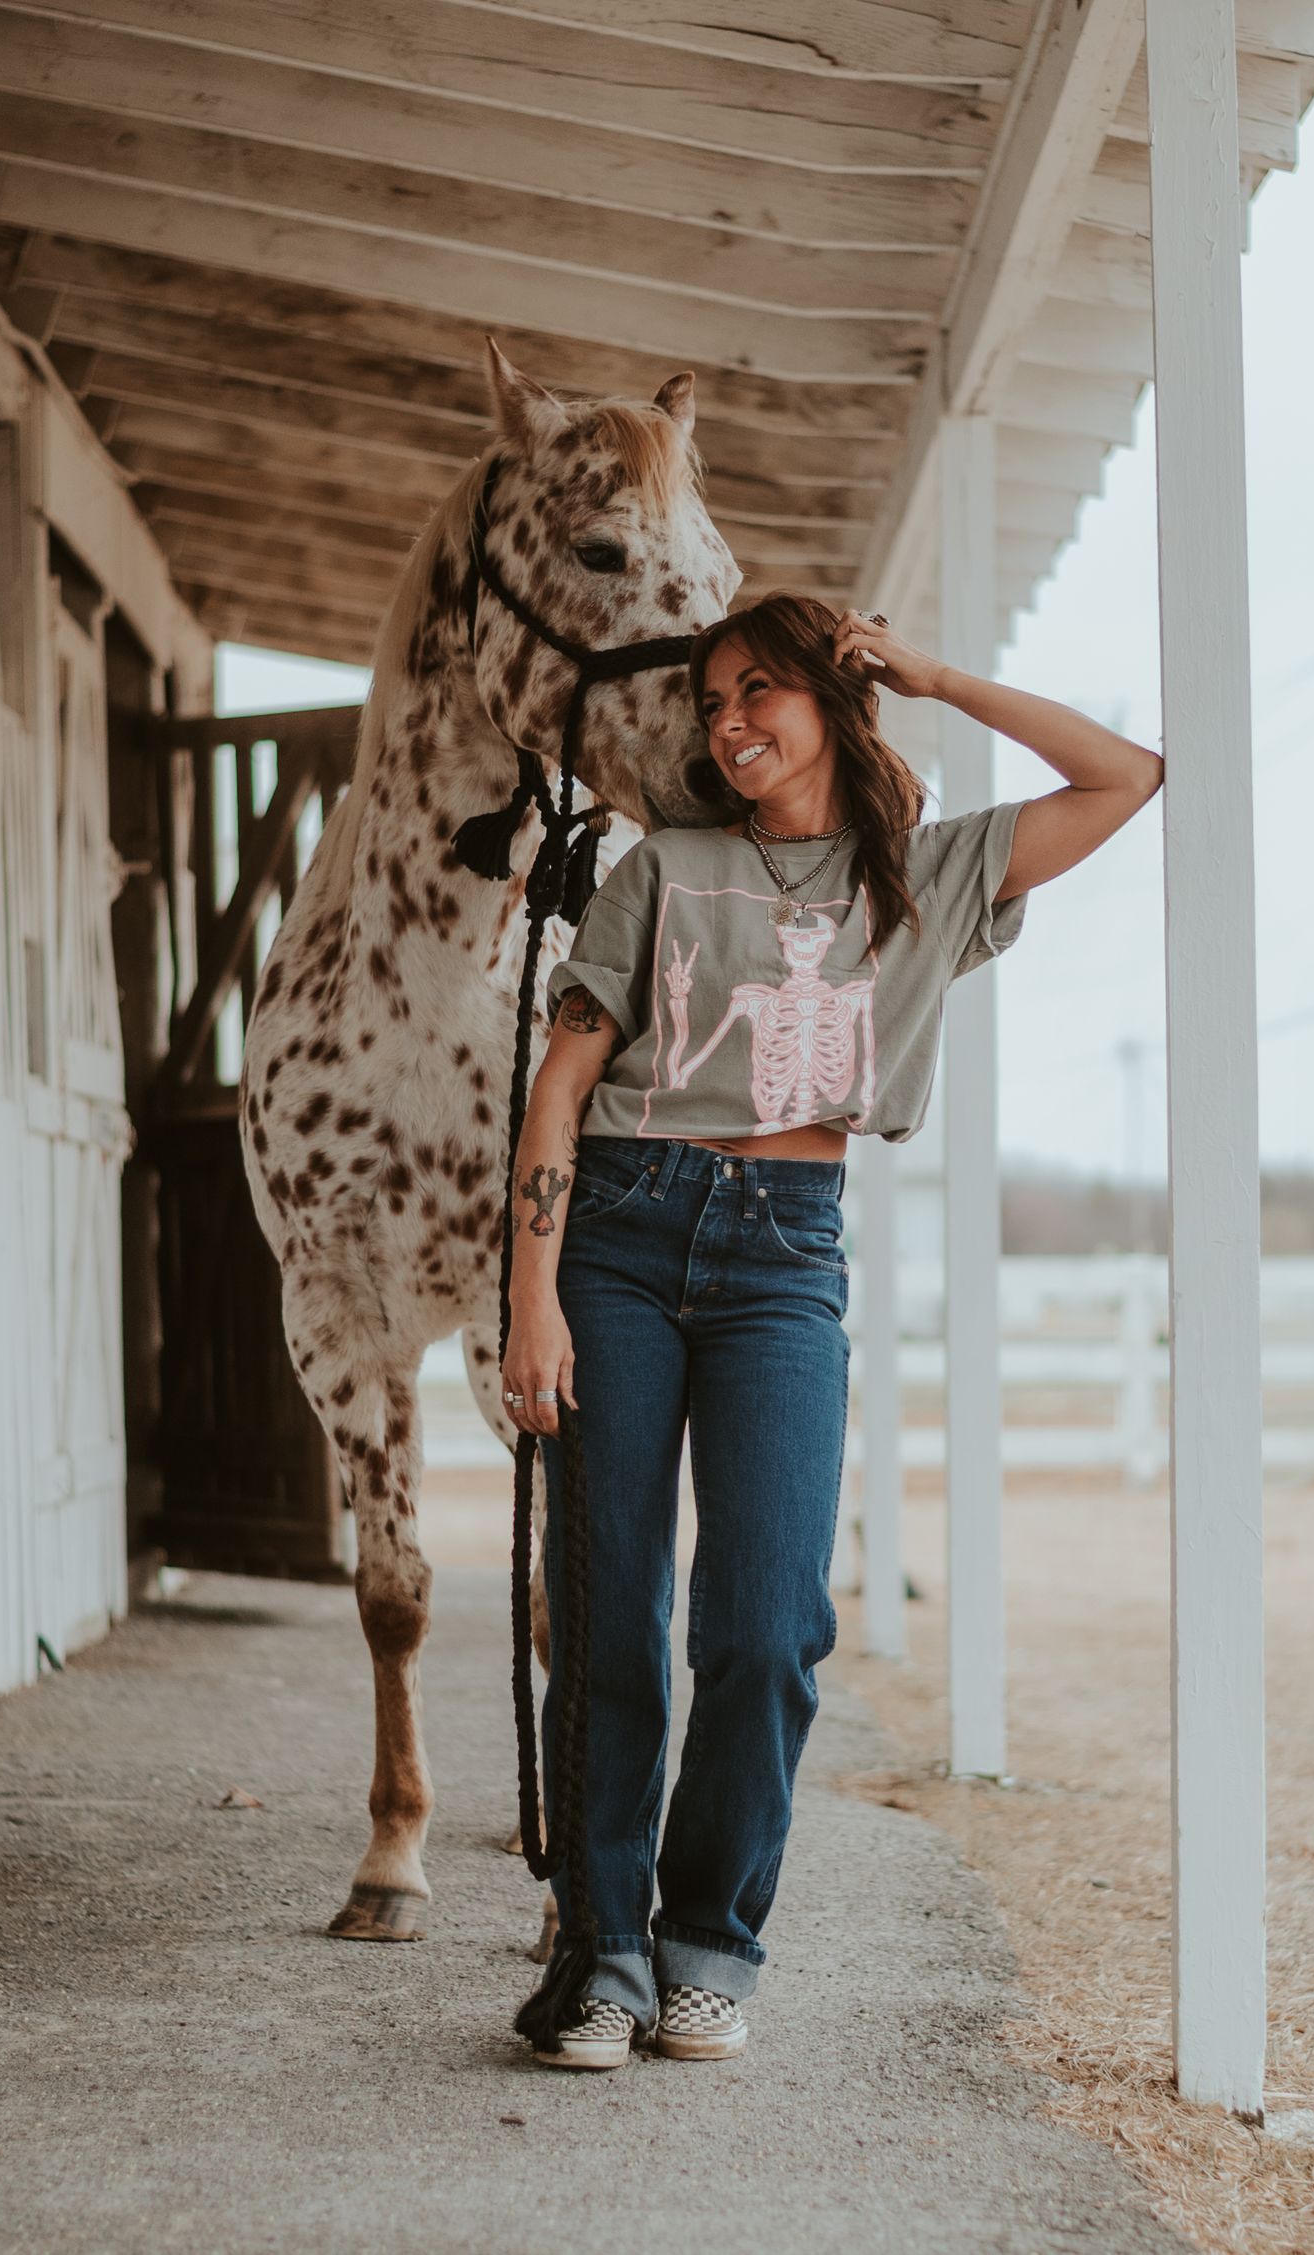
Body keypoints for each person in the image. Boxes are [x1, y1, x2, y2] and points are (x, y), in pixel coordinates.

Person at [500, 594, 1162, 2070]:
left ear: (831, 696)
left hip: (786, 1256)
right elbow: (560, 1086)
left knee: (770, 1623)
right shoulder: (662, 867)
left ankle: (705, 1946)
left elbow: (1127, 775)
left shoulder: (924, 877)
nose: (730, 722)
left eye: (760, 690)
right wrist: (532, 1299)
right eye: (712, 701)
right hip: (619, 1232)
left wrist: (934, 674)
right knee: (610, 1616)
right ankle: (602, 1954)